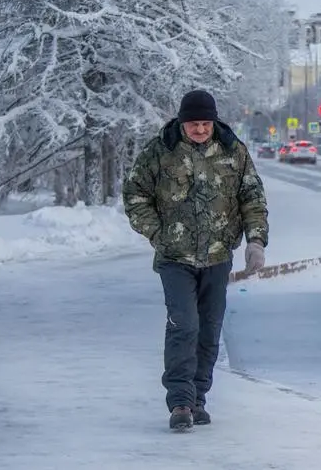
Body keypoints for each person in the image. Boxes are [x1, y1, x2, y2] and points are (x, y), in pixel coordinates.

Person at [122, 89, 269, 430]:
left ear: (213, 121)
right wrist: (158, 233)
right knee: (183, 325)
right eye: (194, 124)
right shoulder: (161, 151)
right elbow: (135, 194)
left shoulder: (234, 151)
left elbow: (252, 197)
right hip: (175, 258)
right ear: (182, 122)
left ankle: (198, 398)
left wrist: (256, 241)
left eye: (205, 123)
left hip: (217, 257)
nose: (200, 130)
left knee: (208, 331)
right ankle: (180, 403)